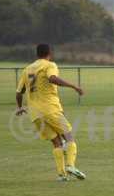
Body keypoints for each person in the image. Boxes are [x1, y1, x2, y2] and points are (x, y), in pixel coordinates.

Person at [15, 44, 86, 181]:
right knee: (69, 137)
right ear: (49, 53)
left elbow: (19, 92)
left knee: (56, 142)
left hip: (35, 114)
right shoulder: (49, 65)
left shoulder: (28, 69)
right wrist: (74, 86)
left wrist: (19, 108)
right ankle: (70, 165)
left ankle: (62, 175)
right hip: (50, 109)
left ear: (37, 54)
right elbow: (52, 78)